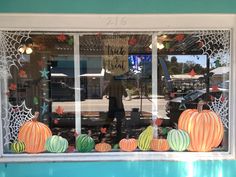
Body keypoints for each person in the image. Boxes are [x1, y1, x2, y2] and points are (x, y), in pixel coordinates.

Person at [101, 76, 127, 144]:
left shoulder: (110, 85)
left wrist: (108, 95)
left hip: (112, 106)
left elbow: (103, 93)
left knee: (108, 122)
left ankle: (101, 136)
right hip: (119, 106)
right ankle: (119, 138)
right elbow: (126, 95)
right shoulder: (121, 85)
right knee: (119, 123)